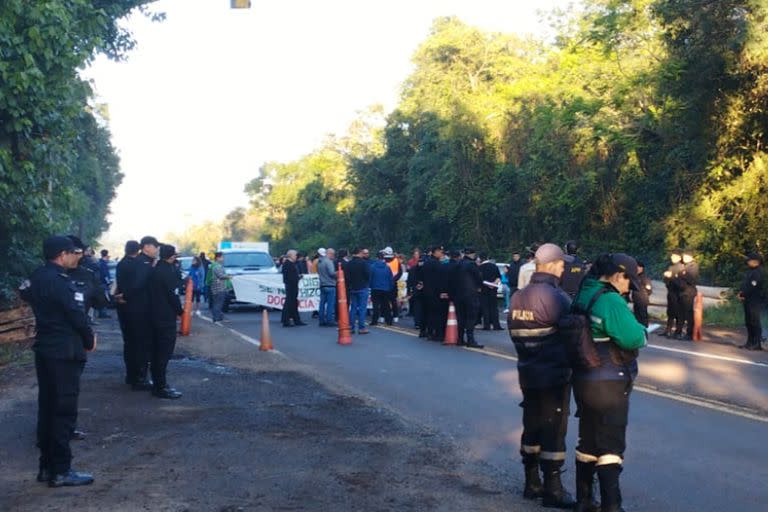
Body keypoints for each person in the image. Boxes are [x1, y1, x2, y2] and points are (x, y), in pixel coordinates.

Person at [570, 253, 647, 512]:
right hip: (609, 382)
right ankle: (611, 506)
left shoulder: (584, 292)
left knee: (588, 440)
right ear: (616, 275)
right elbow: (633, 338)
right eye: (628, 280)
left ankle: (583, 500)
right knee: (611, 445)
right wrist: (642, 331)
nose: (628, 287)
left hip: (583, 379)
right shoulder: (610, 300)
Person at [20, 236, 96, 487]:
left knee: (47, 409)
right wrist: (88, 338)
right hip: (65, 351)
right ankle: (61, 470)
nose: (78, 256)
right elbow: (76, 314)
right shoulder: (61, 281)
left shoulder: (37, 276)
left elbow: (25, 292)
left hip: (45, 349)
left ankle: (46, 466)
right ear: (62, 254)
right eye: (74, 252)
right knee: (63, 412)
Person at [507, 243, 576, 508]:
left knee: (531, 424)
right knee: (554, 429)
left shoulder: (518, 297)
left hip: (527, 372)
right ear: (556, 265)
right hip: (554, 376)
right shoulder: (557, 298)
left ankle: (531, 481)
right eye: (562, 265)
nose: (563, 269)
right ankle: (553, 489)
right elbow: (573, 339)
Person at [120, 236, 160, 390]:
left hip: (132, 309)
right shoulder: (143, 263)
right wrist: (125, 296)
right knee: (140, 345)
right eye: (155, 247)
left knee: (132, 344)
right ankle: (139, 379)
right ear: (147, 247)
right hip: (139, 310)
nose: (157, 250)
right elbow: (137, 285)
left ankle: (133, 376)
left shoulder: (133, 262)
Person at [148, 245, 184, 399]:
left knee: (157, 353)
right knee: (163, 353)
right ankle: (160, 387)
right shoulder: (167, 272)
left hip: (153, 315)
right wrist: (180, 312)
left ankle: (159, 384)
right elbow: (173, 296)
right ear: (172, 256)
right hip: (165, 318)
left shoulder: (155, 270)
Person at [115, 240, 140, 384]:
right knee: (136, 343)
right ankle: (135, 375)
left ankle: (130, 374)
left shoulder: (121, 264)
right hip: (133, 306)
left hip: (123, 306)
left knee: (129, 342)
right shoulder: (136, 265)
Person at [452, 248, 484, 348]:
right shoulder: (471, 264)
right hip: (470, 294)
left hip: (458, 294)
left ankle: (460, 339)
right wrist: (479, 286)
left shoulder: (457, 264)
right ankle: (470, 339)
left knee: (460, 317)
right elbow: (478, 278)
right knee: (471, 317)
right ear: (473, 254)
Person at [738, 252, 765, 350]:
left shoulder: (758, 272)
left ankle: (757, 343)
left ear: (756, 261)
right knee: (748, 321)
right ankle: (749, 342)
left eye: (749, 260)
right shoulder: (750, 271)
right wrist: (741, 293)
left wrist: (743, 294)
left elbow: (753, 286)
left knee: (754, 321)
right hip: (748, 299)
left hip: (755, 300)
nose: (748, 261)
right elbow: (745, 284)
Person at [422, 245, 448, 341]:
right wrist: (442, 291)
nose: (442, 253)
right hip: (436, 292)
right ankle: (437, 334)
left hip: (427, 291)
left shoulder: (426, 263)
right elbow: (440, 280)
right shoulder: (437, 264)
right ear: (435, 252)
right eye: (440, 251)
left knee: (429, 313)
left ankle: (429, 332)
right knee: (438, 314)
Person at [346, 248, 371, 334]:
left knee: (353, 308)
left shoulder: (349, 263)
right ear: (360, 253)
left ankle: (351, 327)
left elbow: (347, 276)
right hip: (362, 287)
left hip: (353, 288)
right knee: (362, 309)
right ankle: (361, 328)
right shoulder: (363, 263)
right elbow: (368, 275)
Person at [675, 250, 699, 340]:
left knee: (688, 313)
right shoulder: (684, 266)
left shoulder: (693, 266)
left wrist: (680, 274)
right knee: (681, 312)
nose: (684, 258)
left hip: (689, 292)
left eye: (686, 257)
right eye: (683, 257)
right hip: (682, 291)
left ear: (691, 257)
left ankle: (689, 333)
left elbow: (690, 278)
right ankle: (679, 331)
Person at [661, 250, 684, 338]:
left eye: (674, 256)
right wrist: (666, 277)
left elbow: (681, 283)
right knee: (670, 312)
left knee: (677, 312)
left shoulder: (681, 268)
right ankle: (668, 330)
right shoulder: (671, 267)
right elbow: (666, 281)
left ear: (678, 257)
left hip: (678, 293)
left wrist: (671, 276)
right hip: (670, 291)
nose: (672, 258)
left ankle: (678, 331)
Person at [280, 249, 305, 327]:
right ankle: (286, 321)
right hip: (291, 286)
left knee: (293, 303)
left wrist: (298, 277)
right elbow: (290, 277)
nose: (296, 256)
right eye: (295, 255)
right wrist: (297, 277)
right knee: (289, 303)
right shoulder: (287, 264)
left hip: (293, 285)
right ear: (290, 255)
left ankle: (296, 320)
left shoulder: (291, 263)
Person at [479, 253, 503, 330]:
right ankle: (496, 325)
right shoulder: (494, 266)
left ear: (480, 259)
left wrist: (487, 284)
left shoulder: (480, 268)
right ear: (488, 258)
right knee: (494, 307)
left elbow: (479, 279)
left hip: (484, 289)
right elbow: (499, 277)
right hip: (493, 289)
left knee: (485, 307)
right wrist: (493, 284)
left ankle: (487, 325)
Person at [370, 251, 395, 326]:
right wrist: (390, 287)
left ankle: (374, 321)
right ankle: (389, 321)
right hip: (385, 288)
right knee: (386, 305)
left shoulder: (372, 266)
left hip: (375, 288)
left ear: (377, 258)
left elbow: (370, 278)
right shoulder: (387, 267)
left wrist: (370, 286)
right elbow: (390, 278)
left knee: (375, 305)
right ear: (383, 258)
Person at [317, 248, 337, 327]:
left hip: (322, 284)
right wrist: (338, 273)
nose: (334, 256)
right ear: (330, 254)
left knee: (322, 304)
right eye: (333, 254)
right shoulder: (328, 262)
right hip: (330, 285)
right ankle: (329, 320)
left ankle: (321, 320)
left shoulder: (320, 261)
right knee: (330, 304)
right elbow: (332, 273)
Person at [210, 252, 231, 324]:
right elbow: (220, 276)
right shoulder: (217, 266)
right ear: (218, 258)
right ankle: (216, 318)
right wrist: (229, 276)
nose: (223, 259)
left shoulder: (215, 265)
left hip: (217, 288)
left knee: (217, 303)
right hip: (218, 288)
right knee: (218, 304)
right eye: (222, 257)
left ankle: (218, 317)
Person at [383, 246, 403, 323]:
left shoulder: (384, 261)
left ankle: (384, 316)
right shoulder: (396, 261)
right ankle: (395, 316)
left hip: (385, 283)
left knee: (385, 300)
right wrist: (394, 279)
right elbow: (400, 273)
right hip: (393, 283)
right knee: (393, 300)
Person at [407, 255, 426, 333]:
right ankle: (420, 323)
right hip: (423, 291)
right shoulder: (426, 269)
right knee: (420, 308)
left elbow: (409, 281)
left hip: (416, 290)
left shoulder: (413, 269)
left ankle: (417, 323)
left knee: (417, 308)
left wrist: (409, 290)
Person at [631, 261, 653, 327]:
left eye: (639, 267)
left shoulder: (644, 277)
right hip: (636, 299)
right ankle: (638, 327)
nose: (637, 268)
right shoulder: (635, 277)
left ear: (642, 268)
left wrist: (644, 294)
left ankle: (645, 327)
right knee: (637, 314)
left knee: (643, 315)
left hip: (642, 299)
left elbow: (649, 289)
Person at [96, 249, 111, 318]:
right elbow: (105, 275)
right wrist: (108, 283)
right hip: (103, 283)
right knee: (104, 299)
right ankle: (102, 313)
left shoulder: (99, 262)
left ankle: (102, 313)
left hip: (99, 283)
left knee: (102, 298)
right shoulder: (103, 264)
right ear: (106, 255)